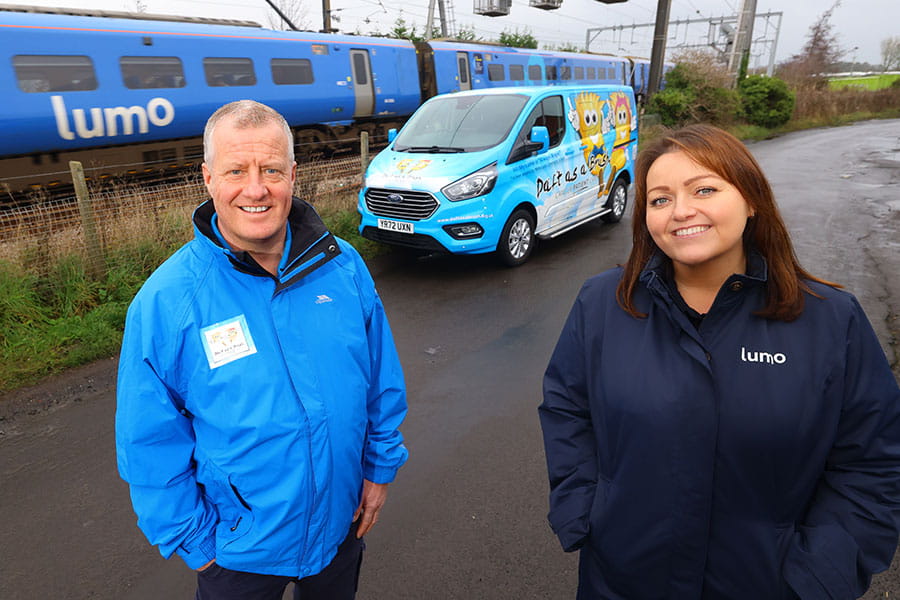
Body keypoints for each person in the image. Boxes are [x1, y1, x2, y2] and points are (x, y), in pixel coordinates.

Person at [538, 123, 900, 599]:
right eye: (660, 199)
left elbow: (873, 462)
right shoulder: (604, 302)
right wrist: (583, 510)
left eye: (704, 189)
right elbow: (567, 408)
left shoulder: (830, 320)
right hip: (620, 580)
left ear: (751, 200)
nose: (681, 211)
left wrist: (821, 574)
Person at [115, 100, 409, 600]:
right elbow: (148, 442)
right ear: (208, 179)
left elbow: (381, 379)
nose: (256, 189)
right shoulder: (167, 302)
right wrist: (199, 544)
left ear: (293, 175)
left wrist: (379, 470)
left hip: (342, 527)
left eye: (271, 169)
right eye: (236, 170)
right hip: (237, 555)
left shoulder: (342, 267)